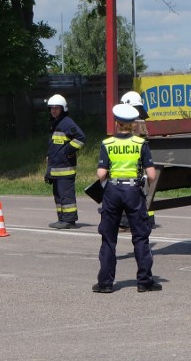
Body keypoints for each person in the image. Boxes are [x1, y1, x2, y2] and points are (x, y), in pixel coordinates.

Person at [93, 104, 161, 293]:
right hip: (133, 192)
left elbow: (101, 174)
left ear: (116, 123)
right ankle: (145, 282)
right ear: (132, 125)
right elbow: (152, 175)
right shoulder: (141, 144)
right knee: (140, 237)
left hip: (113, 191)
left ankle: (105, 283)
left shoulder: (107, 144)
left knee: (108, 238)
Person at [118, 91, 157, 230]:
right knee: (145, 191)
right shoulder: (144, 122)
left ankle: (125, 221)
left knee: (126, 189)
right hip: (145, 163)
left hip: (131, 164)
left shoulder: (132, 123)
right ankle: (148, 219)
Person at [45, 94, 85, 229]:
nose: (53, 110)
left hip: (65, 168)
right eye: (51, 108)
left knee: (66, 195)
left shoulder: (67, 123)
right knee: (58, 195)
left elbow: (81, 138)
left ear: (63, 109)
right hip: (56, 167)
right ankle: (62, 219)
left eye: (56, 108)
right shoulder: (56, 123)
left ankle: (69, 220)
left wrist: (67, 151)